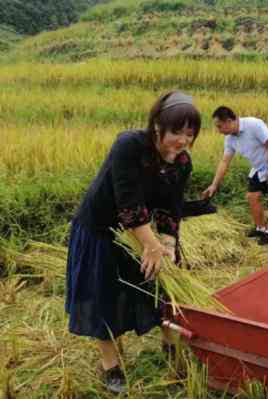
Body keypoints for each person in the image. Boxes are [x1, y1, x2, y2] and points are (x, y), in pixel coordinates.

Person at [65, 91, 201, 394]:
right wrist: (151, 245)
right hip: (102, 229)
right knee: (104, 298)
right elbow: (128, 202)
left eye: (189, 135)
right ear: (157, 126)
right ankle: (111, 366)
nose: (183, 141)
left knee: (164, 284)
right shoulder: (129, 145)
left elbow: (172, 206)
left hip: (139, 233)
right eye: (176, 132)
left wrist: (167, 243)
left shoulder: (181, 162)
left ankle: (169, 347)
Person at [203, 106, 268, 245]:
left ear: (229, 121)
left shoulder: (253, 124)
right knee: (252, 196)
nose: (219, 131)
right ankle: (260, 228)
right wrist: (214, 185)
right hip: (258, 167)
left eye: (220, 126)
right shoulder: (230, 138)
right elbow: (225, 162)